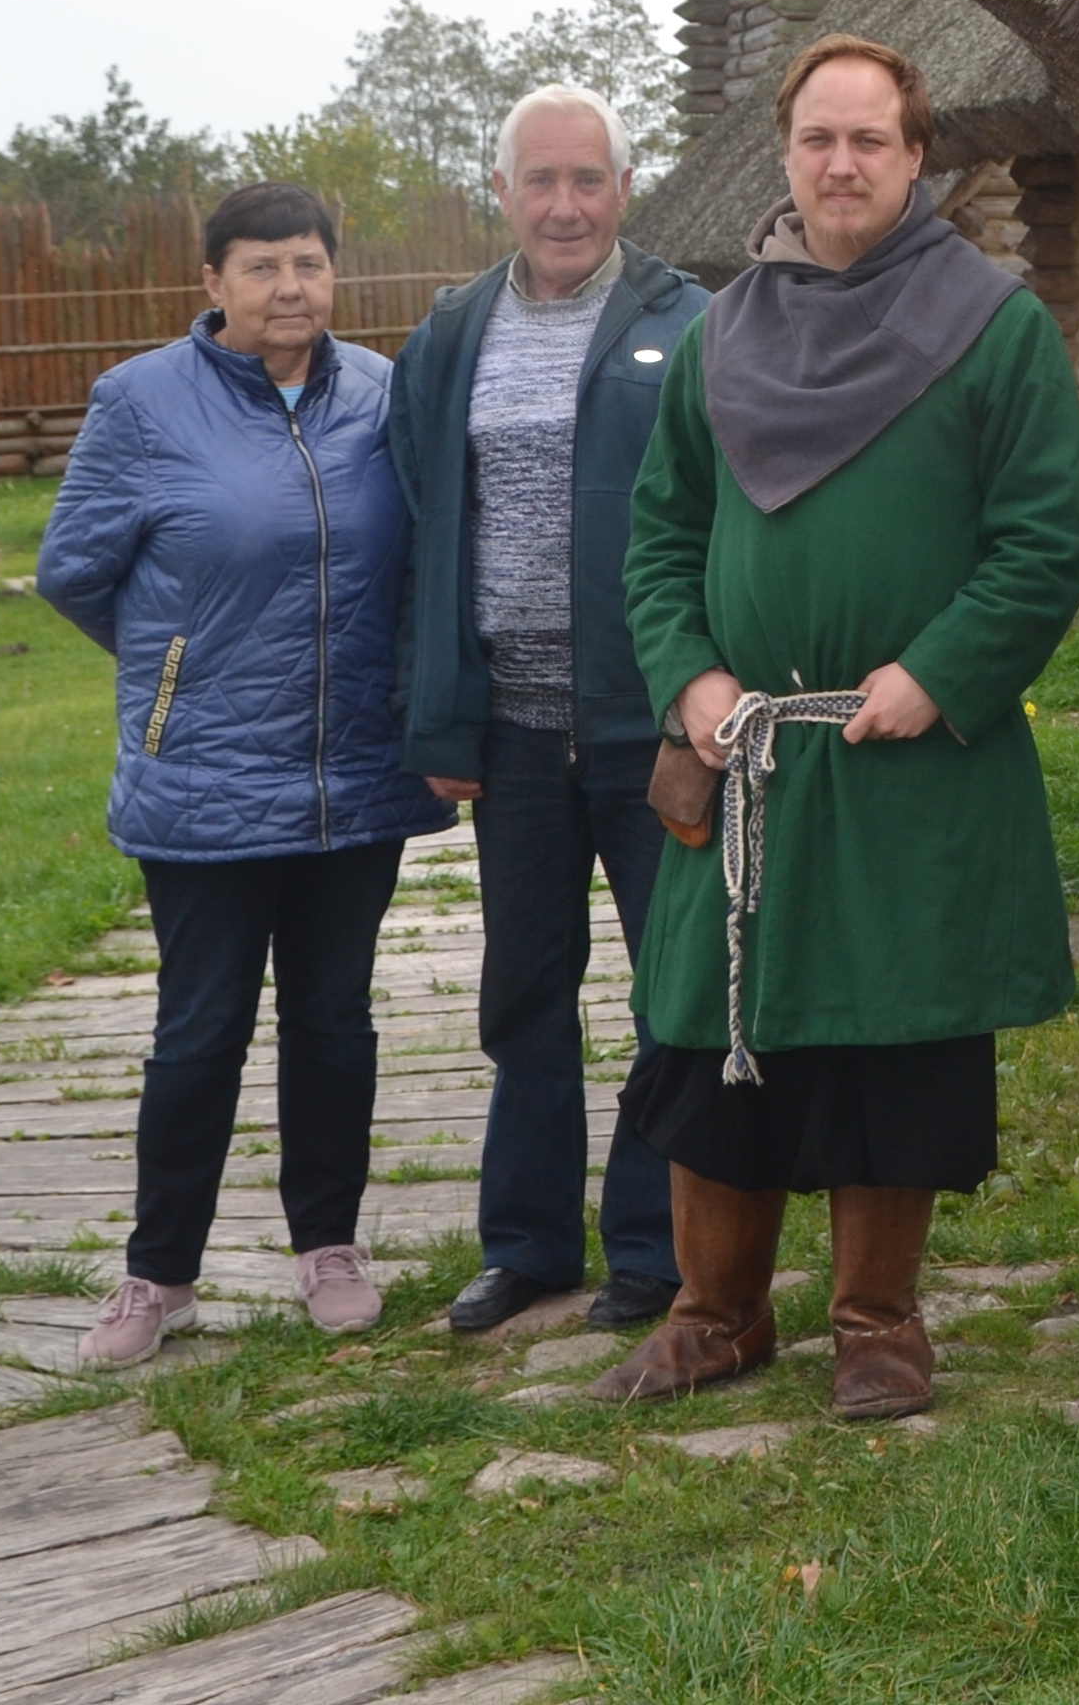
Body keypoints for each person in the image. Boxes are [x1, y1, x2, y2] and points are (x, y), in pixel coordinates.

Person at [594, 34, 1079, 1421]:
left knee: (894, 1045)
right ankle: (715, 1318)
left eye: (871, 138)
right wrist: (688, 677)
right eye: (819, 137)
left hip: (898, 753)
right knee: (715, 1034)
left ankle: (879, 1326)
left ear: (917, 155)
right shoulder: (719, 336)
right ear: (786, 151)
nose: (842, 162)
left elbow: (1045, 539)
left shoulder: (993, 326)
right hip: (748, 749)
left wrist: (939, 671)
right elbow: (660, 539)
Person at [38, 179, 449, 1367]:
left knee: (333, 1021)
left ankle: (330, 1248)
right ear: (214, 282)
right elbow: (73, 571)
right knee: (198, 1031)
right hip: (205, 783)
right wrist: (178, 671)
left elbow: (420, 557)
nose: (289, 287)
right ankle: (160, 1275)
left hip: (353, 775)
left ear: (335, 274)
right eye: (262, 267)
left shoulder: (382, 393)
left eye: (309, 263)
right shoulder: (141, 402)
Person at [391, 83, 707, 1339]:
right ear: (503, 192)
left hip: (649, 726)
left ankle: (652, 1246)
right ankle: (525, 1246)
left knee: (668, 990)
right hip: (514, 736)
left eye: (588, 180)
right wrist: (440, 717)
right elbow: (423, 527)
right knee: (523, 993)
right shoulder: (453, 330)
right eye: (541, 180)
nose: (565, 205)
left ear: (625, 188)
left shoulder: (690, 322)